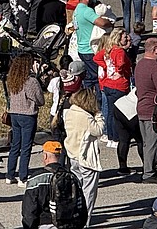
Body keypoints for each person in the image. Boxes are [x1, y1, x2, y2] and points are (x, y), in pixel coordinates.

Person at [22, 141, 87, 229]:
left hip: (46, 224)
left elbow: (29, 210)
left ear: (45, 156)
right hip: (70, 224)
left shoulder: (36, 179)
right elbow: (81, 207)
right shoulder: (72, 177)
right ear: (59, 156)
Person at [63, 88, 105, 223]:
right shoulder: (86, 117)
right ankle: (84, 221)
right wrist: (98, 115)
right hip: (86, 157)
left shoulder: (70, 112)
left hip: (73, 155)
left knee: (77, 190)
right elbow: (99, 130)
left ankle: (74, 215)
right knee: (89, 191)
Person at [95, 28, 135, 173]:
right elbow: (121, 65)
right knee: (119, 114)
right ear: (118, 38)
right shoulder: (119, 52)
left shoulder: (108, 49)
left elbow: (97, 58)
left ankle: (112, 137)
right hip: (119, 85)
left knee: (111, 112)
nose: (127, 39)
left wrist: (107, 67)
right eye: (124, 37)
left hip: (108, 85)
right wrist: (118, 71)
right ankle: (117, 138)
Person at [6, 55, 46, 186]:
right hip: (28, 115)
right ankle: (22, 177)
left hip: (14, 114)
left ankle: (10, 174)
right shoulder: (31, 81)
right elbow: (40, 100)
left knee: (15, 145)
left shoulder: (12, 79)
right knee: (26, 147)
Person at [135, 36, 157, 181]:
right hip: (152, 111)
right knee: (153, 143)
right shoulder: (156, 68)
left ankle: (149, 169)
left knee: (147, 143)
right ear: (155, 50)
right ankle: (148, 173)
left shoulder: (139, 64)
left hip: (141, 108)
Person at [73, 0, 112, 94]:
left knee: (89, 77)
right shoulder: (87, 11)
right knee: (97, 77)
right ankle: (98, 99)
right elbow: (102, 23)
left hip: (82, 49)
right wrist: (110, 22)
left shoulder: (76, 10)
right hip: (90, 49)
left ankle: (87, 96)